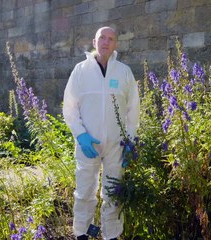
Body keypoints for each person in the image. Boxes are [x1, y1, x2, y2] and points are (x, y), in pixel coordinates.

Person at [63, 26, 140, 240]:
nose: (106, 42)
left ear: (115, 44)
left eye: (111, 38)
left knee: (114, 191)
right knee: (85, 191)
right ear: (94, 41)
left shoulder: (124, 72)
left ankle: (111, 235)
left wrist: (131, 142)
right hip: (88, 143)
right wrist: (80, 134)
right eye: (102, 38)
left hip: (117, 145)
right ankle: (81, 233)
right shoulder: (81, 71)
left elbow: (133, 110)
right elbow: (69, 106)